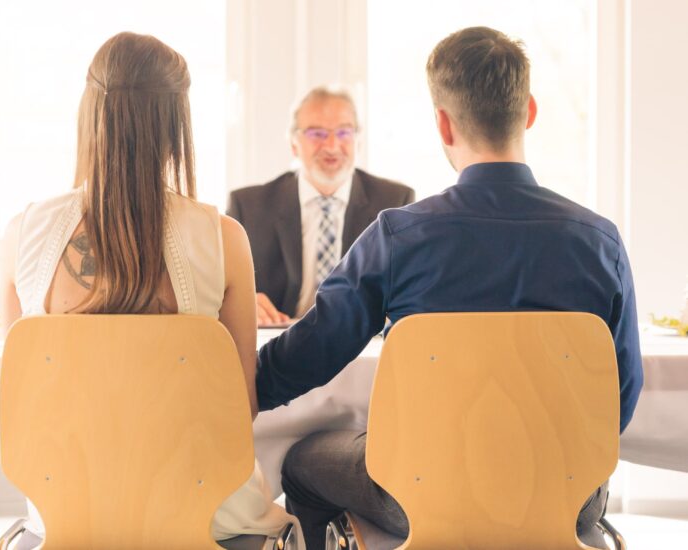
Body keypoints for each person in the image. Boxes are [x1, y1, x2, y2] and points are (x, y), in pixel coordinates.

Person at [255, 27, 643, 549]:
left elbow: (309, 354)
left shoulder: (397, 237)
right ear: (528, 112)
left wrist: (241, 386)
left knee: (302, 461)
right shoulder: (600, 243)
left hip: (418, 494)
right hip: (567, 498)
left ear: (442, 122)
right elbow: (618, 397)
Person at [0, 31, 303, 546]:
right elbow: (238, 409)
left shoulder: (23, 232)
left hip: (68, 511)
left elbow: (26, 401)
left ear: (89, 115)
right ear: (175, 127)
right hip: (207, 512)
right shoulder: (222, 239)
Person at [227, 87, 415, 325]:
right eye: (317, 133)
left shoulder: (395, 202)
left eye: (344, 132)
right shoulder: (248, 206)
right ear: (294, 143)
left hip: (360, 340)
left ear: (358, 141)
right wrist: (240, 301)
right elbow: (219, 289)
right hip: (279, 338)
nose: (332, 145)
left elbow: (409, 288)